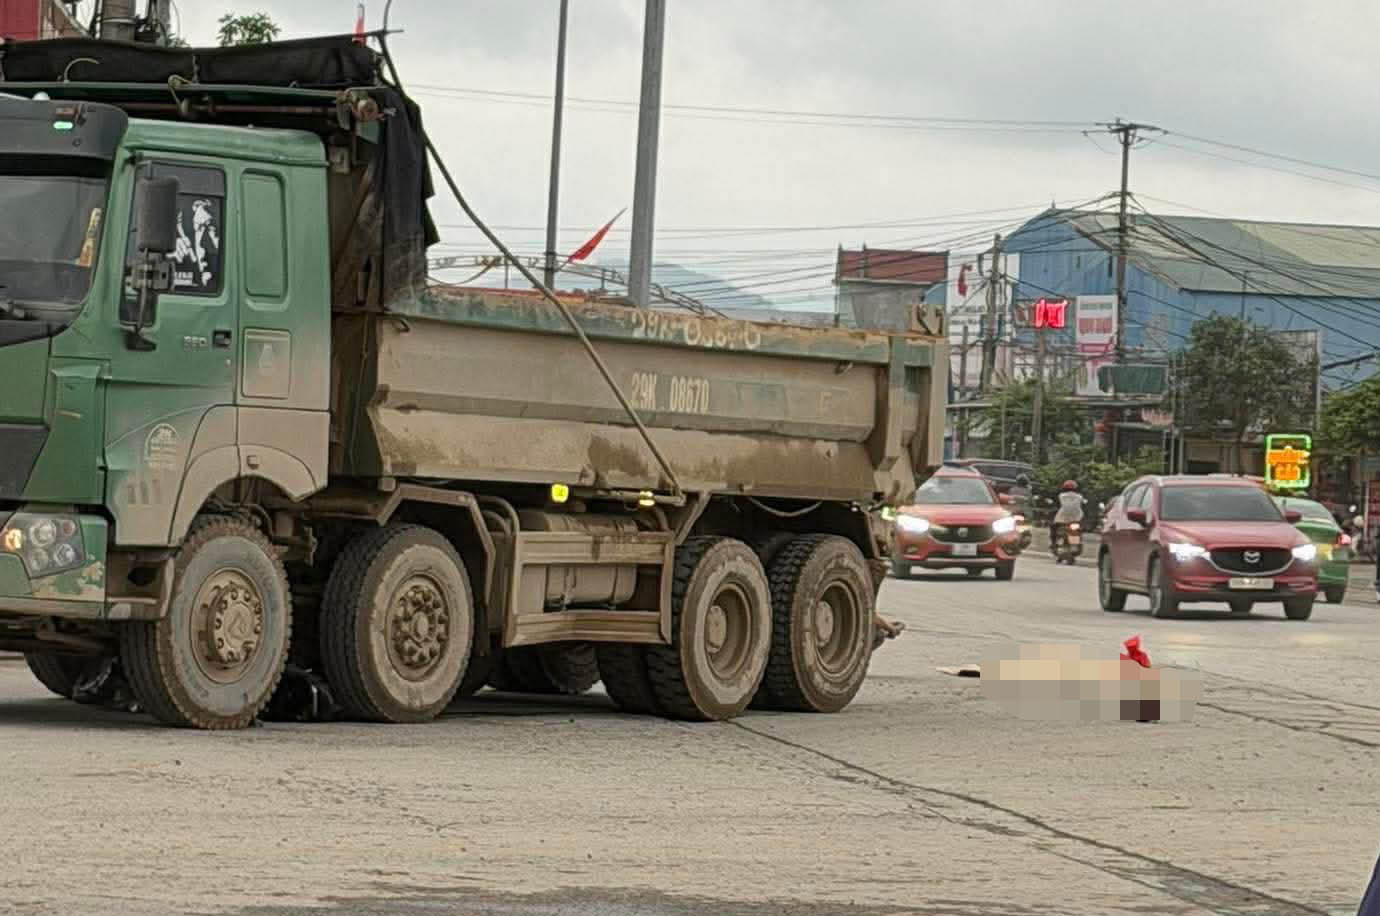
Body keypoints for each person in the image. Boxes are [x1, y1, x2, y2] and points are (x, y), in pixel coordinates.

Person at [1051, 480, 1085, 550]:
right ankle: (1077, 542)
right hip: (1076, 517)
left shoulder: (1061, 495)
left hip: (1062, 517)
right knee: (1079, 531)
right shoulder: (1080, 497)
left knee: (1053, 527)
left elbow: (1058, 505)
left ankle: (1053, 543)